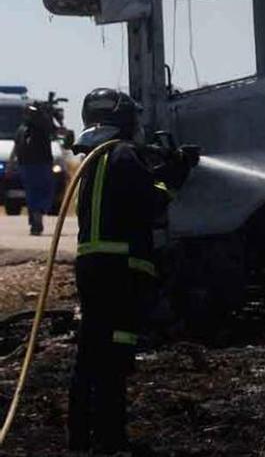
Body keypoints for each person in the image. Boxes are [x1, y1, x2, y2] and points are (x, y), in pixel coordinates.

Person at [67, 88, 199, 453]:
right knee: (114, 355)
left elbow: (126, 195)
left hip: (93, 268)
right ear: (124, 119)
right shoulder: (123, 154)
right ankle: (111, 441)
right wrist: (177, 173)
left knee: (90, 352)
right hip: (119, 271)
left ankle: (79, 437)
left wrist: (159, 168)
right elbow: (150, 203)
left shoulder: (97, 158)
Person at [11, 103, 67, 235]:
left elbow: (16, 147)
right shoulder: (42, 128)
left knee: (33, 192)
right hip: (41, 164)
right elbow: (60, 132)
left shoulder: (23, 129)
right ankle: (37, 214)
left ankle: (35, 216)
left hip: (27, 165)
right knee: (44, 190)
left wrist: (11, 164)